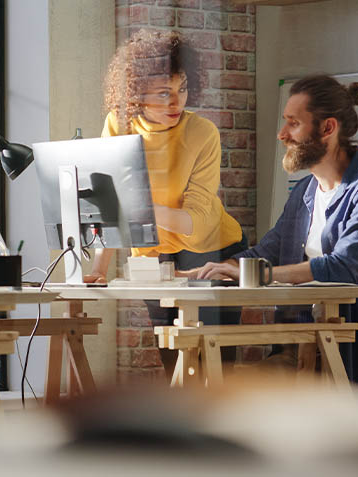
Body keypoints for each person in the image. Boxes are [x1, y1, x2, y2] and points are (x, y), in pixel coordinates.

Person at [196, 75, 358, 383]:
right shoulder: (304, 193)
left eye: (293, 123)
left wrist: (258, 275)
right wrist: (212, 269)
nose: (282, 135)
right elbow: (266, 252)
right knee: (212, 385)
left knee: (227, 393)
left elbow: (345, 267)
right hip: (299, 347)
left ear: (327, 128)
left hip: (357, 354)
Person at [85, 30, 246, 373]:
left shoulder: (202, 133)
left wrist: (142, 210)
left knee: (216, 363)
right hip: (154, 256)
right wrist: (99, 270)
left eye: (182, 89)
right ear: (136, 94)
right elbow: (108, 201)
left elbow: (199, 219)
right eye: (163, 93)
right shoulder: (118, 125)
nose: (177, 102)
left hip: (212, 250)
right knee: (174, 360)